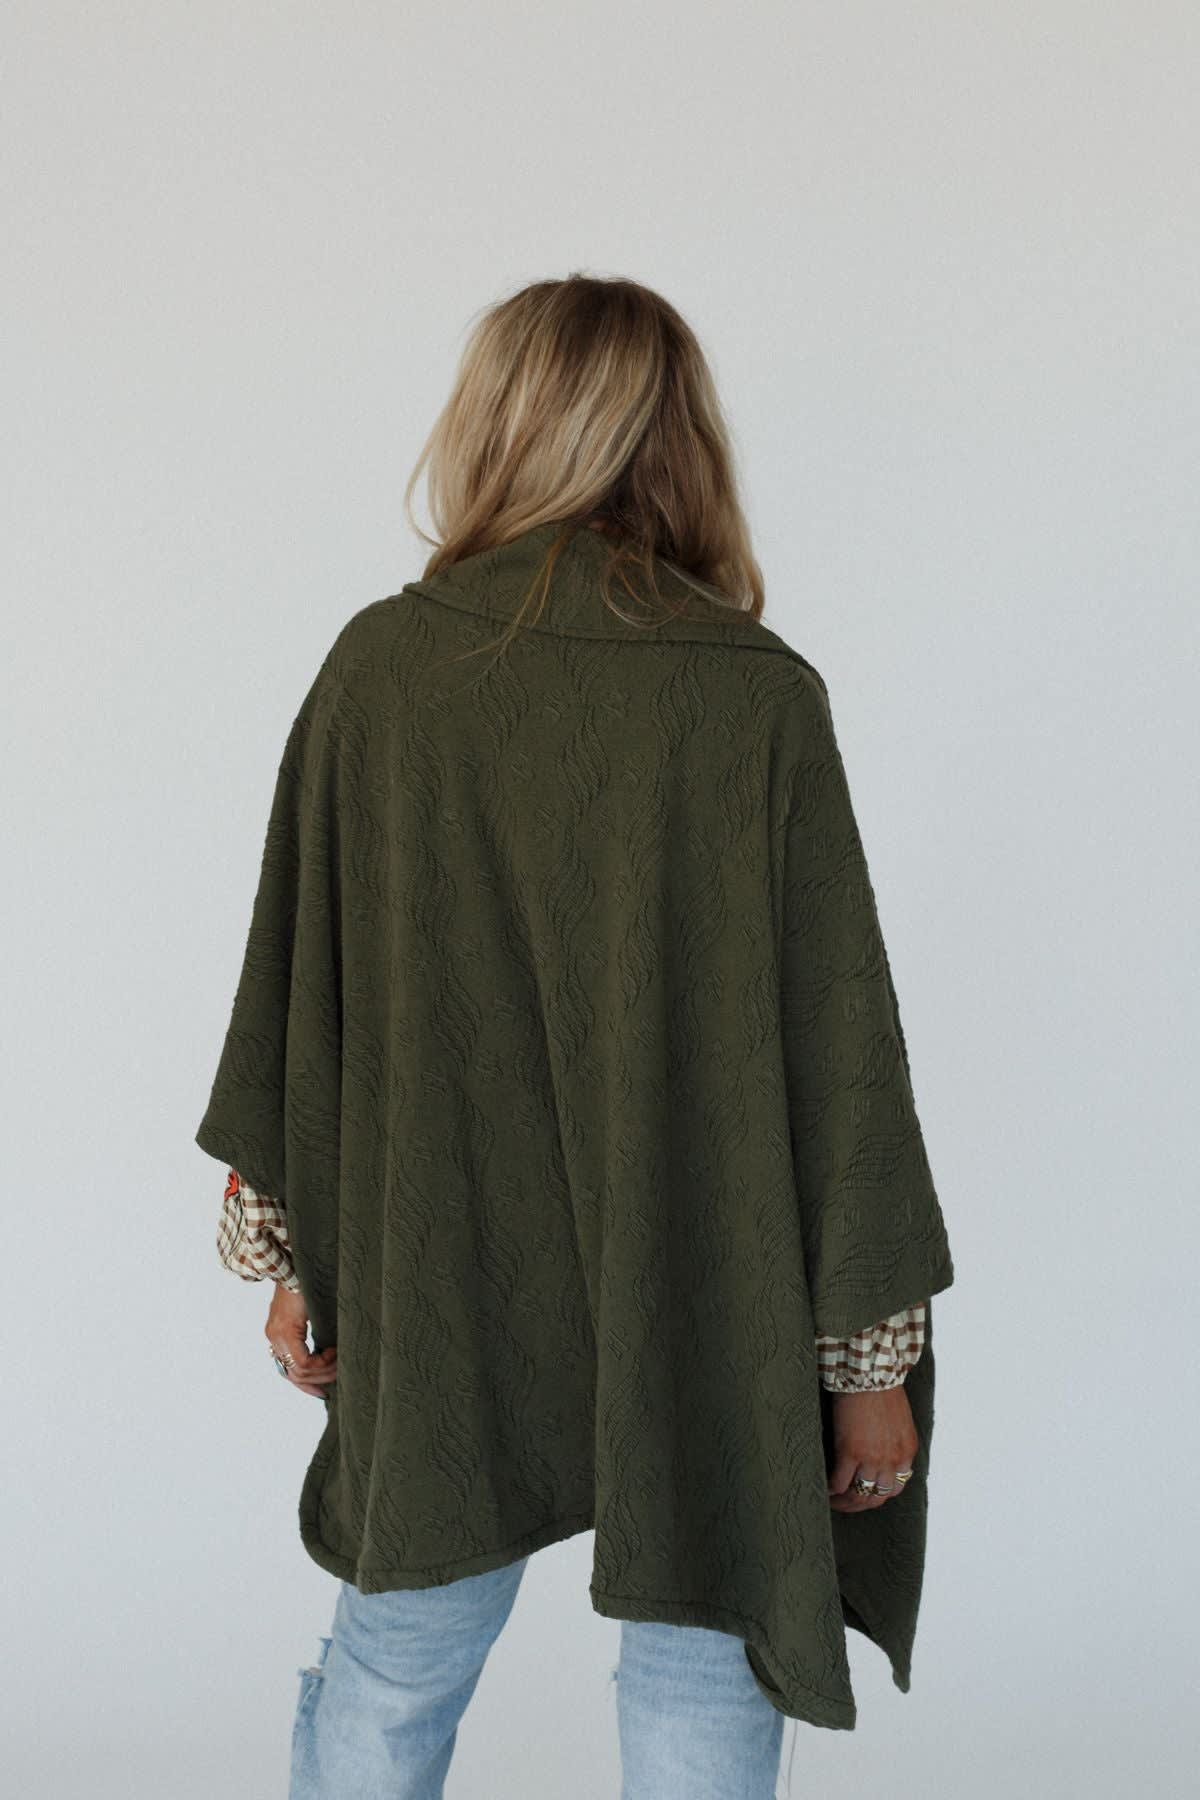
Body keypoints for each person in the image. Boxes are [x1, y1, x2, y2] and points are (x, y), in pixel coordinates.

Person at [195, 273, 955, 1800]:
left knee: (396, 1663)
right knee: (705, 1648)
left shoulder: (382, 671)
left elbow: (301, 999)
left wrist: (290, 1256)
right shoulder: (751, 697)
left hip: (440, 1265)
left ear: (493, 425)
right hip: (703, 1280)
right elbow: (843, 1071)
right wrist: (868, 1362)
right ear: (682, 440)